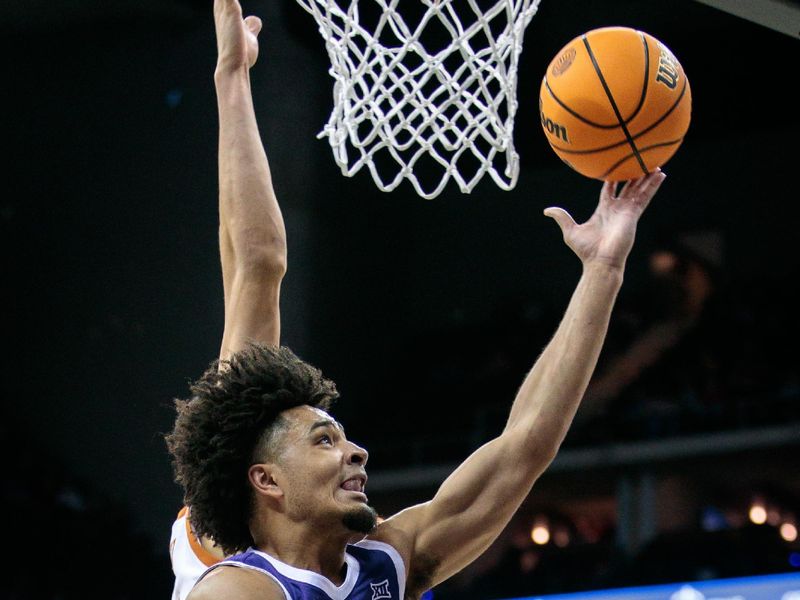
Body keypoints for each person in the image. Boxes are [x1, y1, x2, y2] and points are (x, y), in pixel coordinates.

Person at [165, 1, 667, 599]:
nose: (358, 451)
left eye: (337, 436)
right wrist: (231, 76)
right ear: (266, 480)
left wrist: (603, 270)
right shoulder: (237, 584)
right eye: (326, 441)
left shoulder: (387, 562)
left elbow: (525, 447)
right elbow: (257, 265)